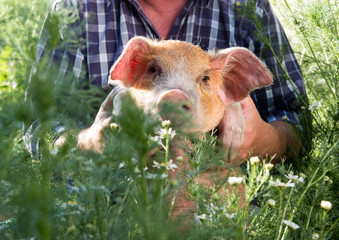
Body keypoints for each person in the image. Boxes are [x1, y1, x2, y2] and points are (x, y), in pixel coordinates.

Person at [24, 0, 306, 164]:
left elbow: (297, 122)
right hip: (109, 206)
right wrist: (92, 141)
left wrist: (260, 140)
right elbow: (40, 127)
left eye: (206, 77)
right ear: (132, 63)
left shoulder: (246, 7)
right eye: (153, 70)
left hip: (220, 201)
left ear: (236, 77)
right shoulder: (75, 9)